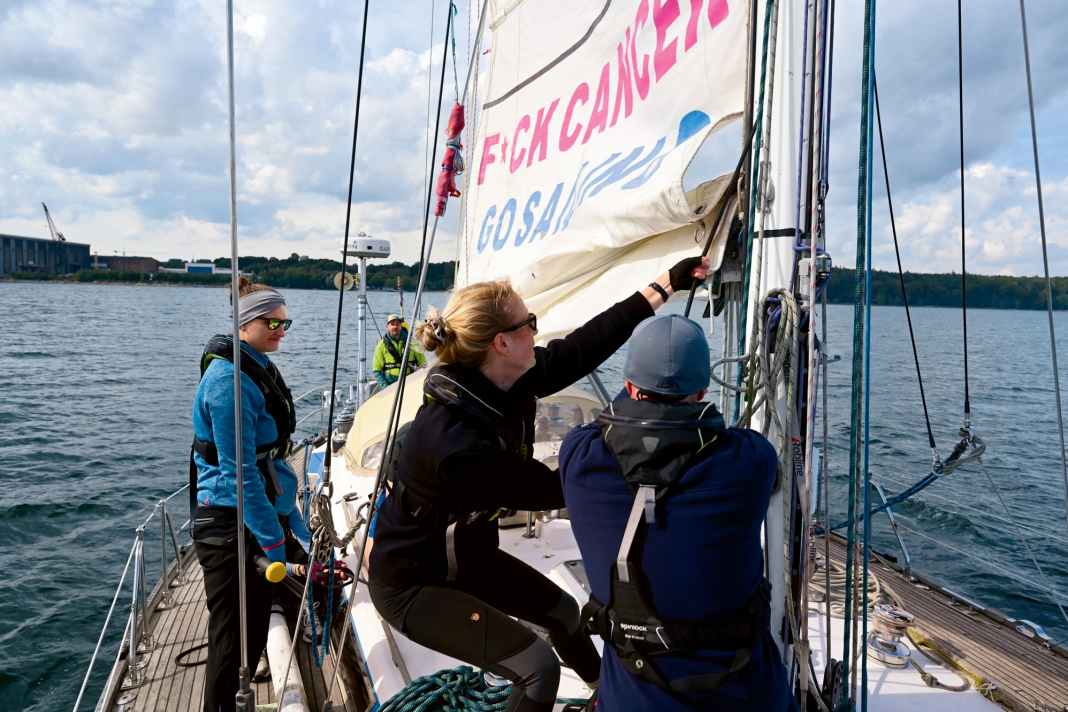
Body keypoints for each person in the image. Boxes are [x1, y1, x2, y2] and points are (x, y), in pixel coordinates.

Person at [368, 257, 709, 712]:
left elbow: (585, 346)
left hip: (470, 560)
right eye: (529, 323)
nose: (536, 330)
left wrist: (664, 285)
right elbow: (556, 490)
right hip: (414, 586)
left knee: (566, 615)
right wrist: (650, 436)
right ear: (502, 342)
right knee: (538, 668)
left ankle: (604, 700)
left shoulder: (505, 378)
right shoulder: (455, 444)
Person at [559, 314, 795, 711]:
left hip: (630, 700)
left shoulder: (580, 455)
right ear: (702, 391)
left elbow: (601, 425)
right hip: (743, 696)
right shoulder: (748, 460)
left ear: (630, 385)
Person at [190, 277, 312, 712]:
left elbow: (272, 464)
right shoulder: (229, 382)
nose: (281, 330)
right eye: (272, 322)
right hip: (229, 522)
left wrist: (292, 521)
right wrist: (275, 543)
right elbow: (240, 474)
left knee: (256, 627)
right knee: (235, 637)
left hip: (257, 513)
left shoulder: (256, 364)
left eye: (285, 322)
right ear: (244, 323)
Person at [372, 313, 426, 388]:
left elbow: (423, 365)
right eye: (392, 324)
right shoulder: (381, 346)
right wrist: (385, 388)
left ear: (401, 326)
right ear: (387, 327)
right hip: (389, 384)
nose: (395, 326)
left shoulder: (413, 343)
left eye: (397, 324)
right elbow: (377, 371)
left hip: (410, 383)